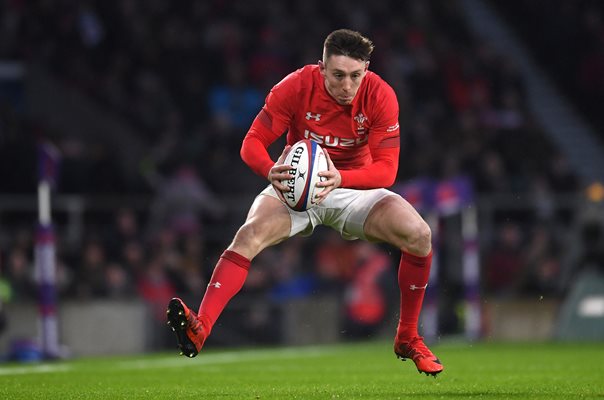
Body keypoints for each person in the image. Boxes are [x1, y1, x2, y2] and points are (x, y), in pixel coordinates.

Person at [166, 29, 444, 376]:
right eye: (338, 75)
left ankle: (408, 337)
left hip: (352, 185)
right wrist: (271, 172)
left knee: (419, 234)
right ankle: (200, 327)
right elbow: (252, 143)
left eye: (355, 76)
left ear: (366, 70)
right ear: (321, 67)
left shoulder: (380, 94)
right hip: (297, 185)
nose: (347, 86)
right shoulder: (295, 87)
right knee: (249, 235)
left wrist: (341, 178)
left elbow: (387, 170)